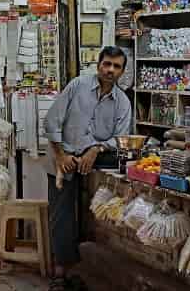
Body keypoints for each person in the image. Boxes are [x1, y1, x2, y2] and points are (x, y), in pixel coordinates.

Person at [45, 46, 132, 291]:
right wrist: (61, 155)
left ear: (122, 71)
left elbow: (121, 138)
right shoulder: (78, 86)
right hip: (64, 156)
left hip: (95, 158)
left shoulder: (122, 102)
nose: (110, 70)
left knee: (90, 214)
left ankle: (81, 268)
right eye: (107, 64)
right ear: (98, 65)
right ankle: (60, 274)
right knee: (62, 216)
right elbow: (52, 122)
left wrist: (96, 150)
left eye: (116, 66)